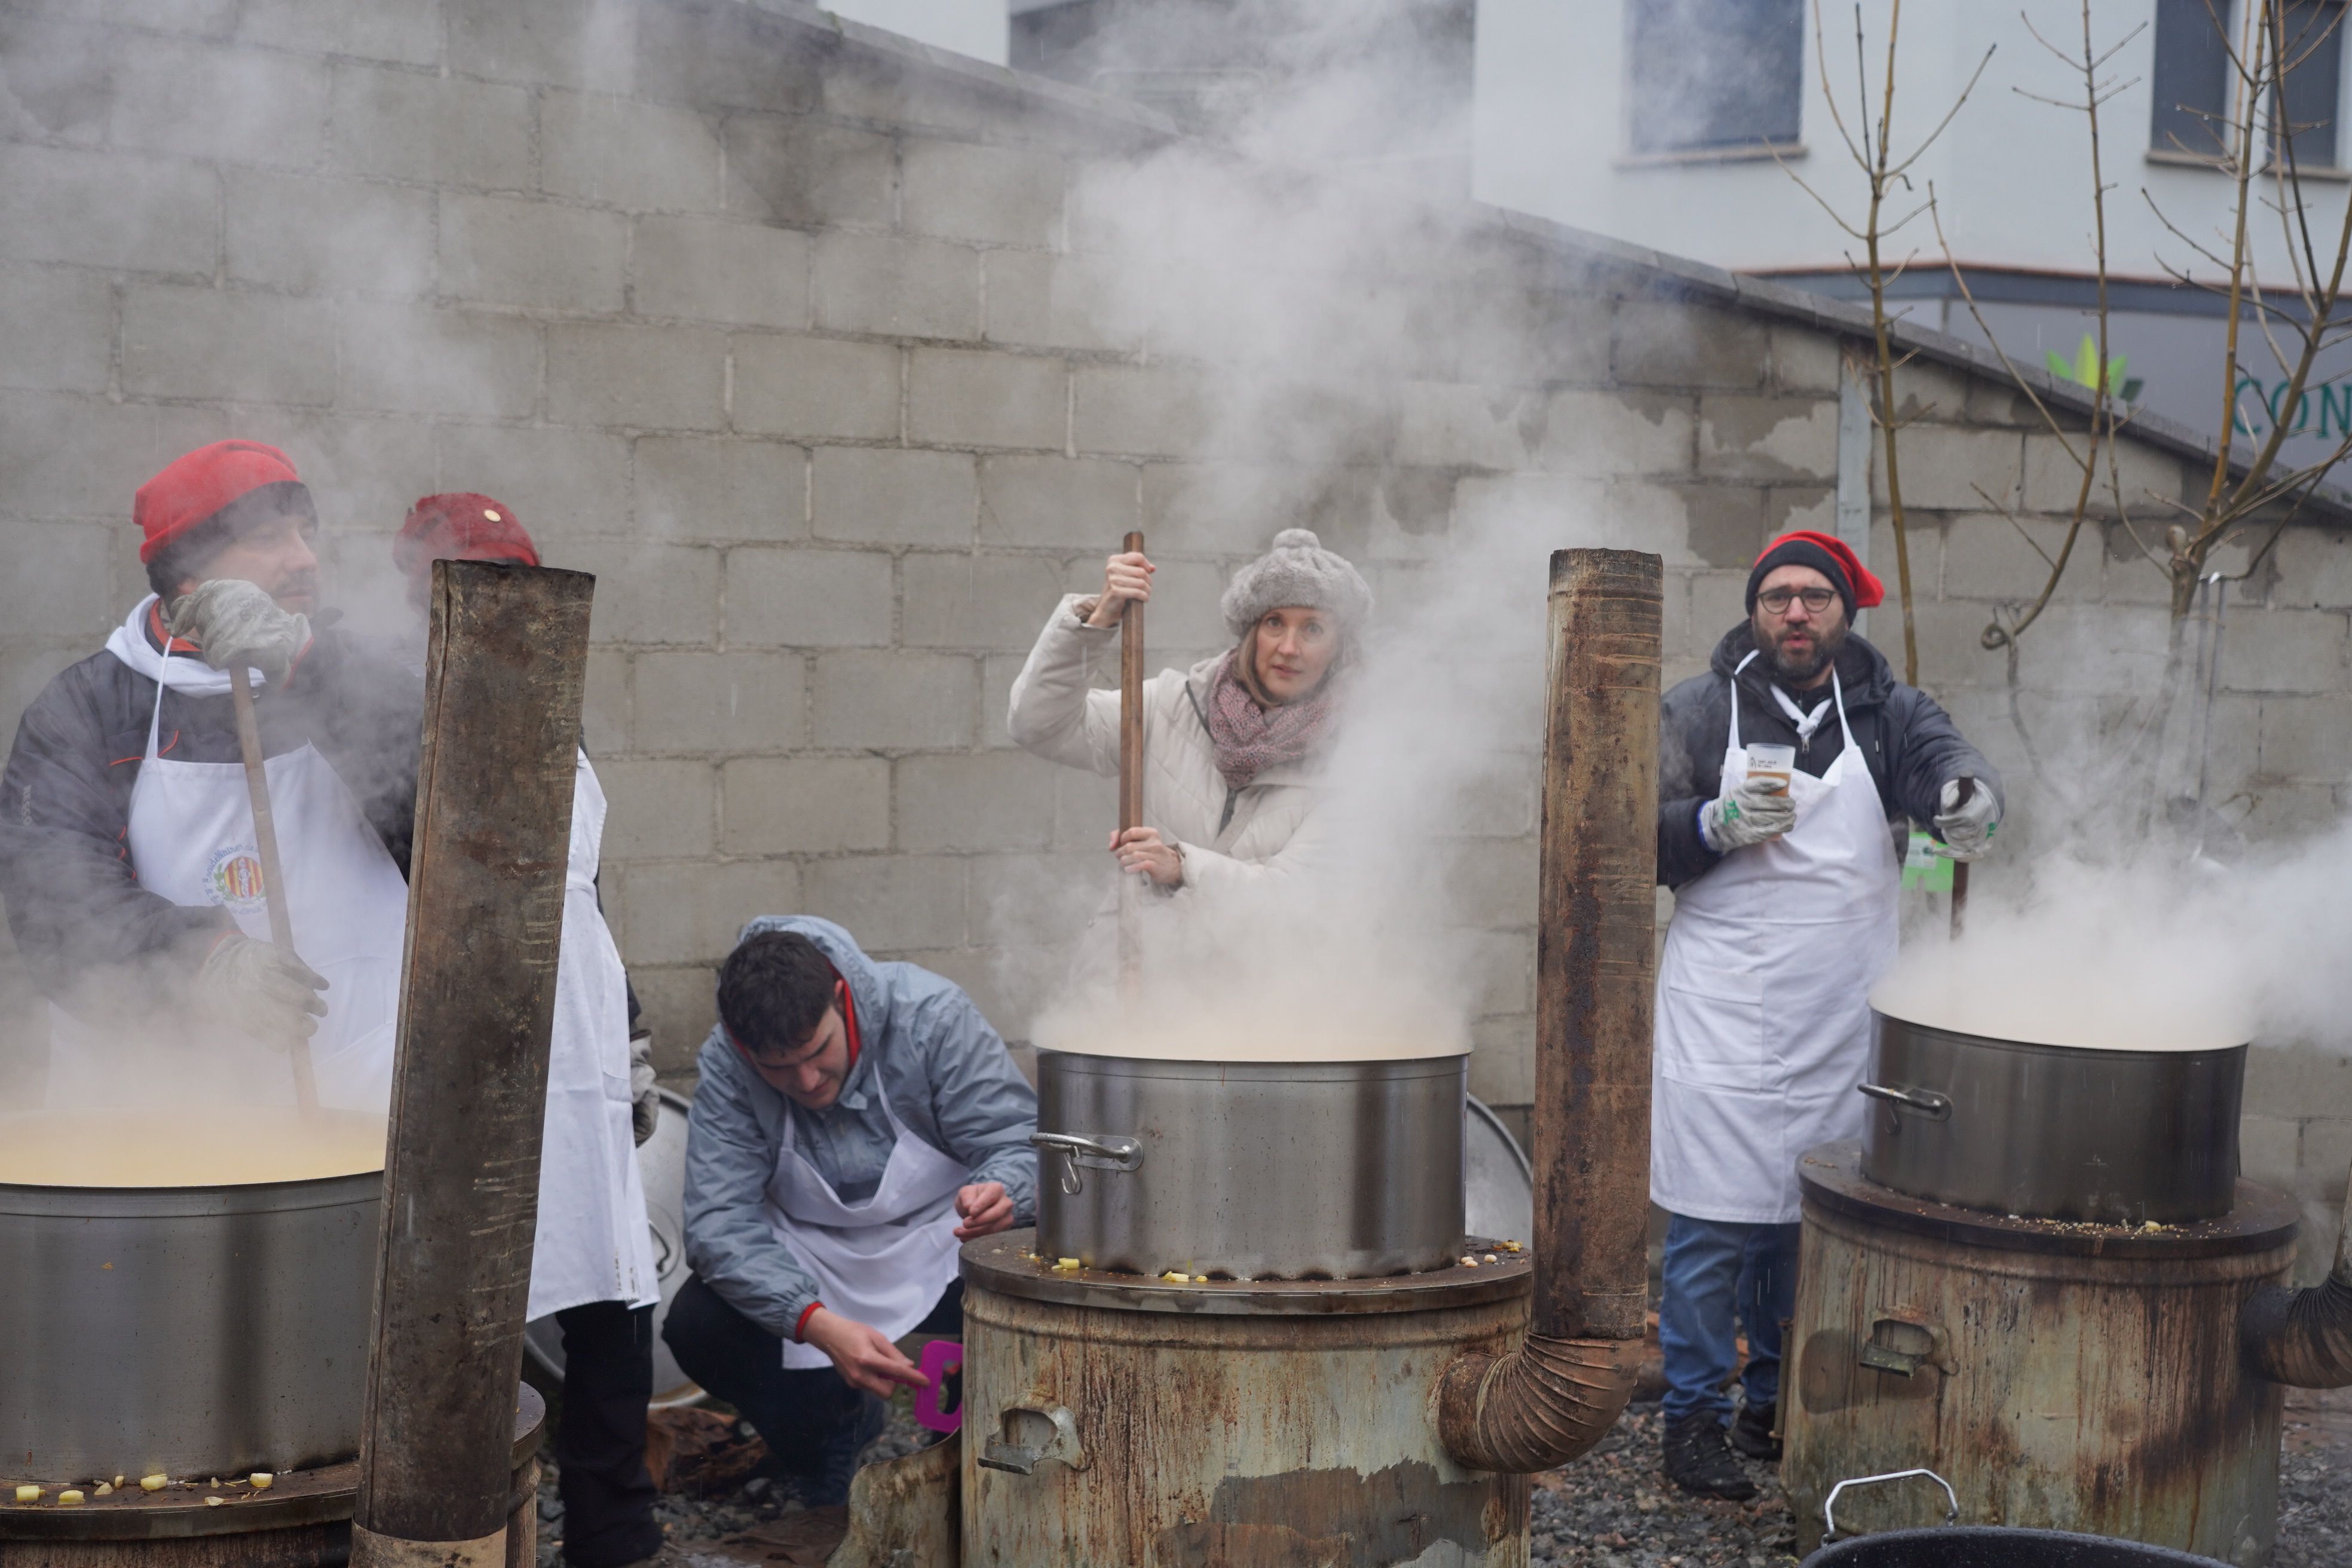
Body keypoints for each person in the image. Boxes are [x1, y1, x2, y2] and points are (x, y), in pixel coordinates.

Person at [1650, 529, 2002, 1500]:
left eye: (1814, 596)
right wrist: (1708, 825)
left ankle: (1772, 1403)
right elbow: (1629, 834)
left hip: (1840, 1008)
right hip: (1723, 1004)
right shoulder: (1697, 708)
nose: (1795, 612)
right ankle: (1691, 1417)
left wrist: (1967, 798)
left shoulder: (1890, 711)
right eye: (1778, 597)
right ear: (1754, 610)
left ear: (1846, 610)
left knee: (1804, 1223)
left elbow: (1947, 764)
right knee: (1711, 1226)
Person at [394, 494, 664, 1568]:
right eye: (484, 585)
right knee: (474, 1302)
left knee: (614, 1298)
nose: (509, 608)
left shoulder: (560, 709)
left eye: (519, 584)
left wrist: (628, 1030)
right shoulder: (398, 715)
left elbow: (585, 894)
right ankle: (472, 1530)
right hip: (471, 1041)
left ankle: (615, 1533)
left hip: (579, 1038)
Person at [0, 440, 417, 1109]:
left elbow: (453, 823)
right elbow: (53, 900)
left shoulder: (359, 679)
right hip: (158, 1111)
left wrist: (311, 670)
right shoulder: (88, 709)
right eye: (268, 537)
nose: (305, 558)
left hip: (359, 1087)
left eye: (307, 533)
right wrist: (199, 960)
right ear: (188, 572)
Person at [663, 917, 1037, 1505]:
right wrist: (814, 1322)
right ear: (741, 1045)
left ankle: (975, 1447)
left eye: (818, 1051)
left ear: (841, 997)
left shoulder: (931, 1016)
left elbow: (1018, 1140)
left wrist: (1003, 1189)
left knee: (1030, 1269)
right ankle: (826, 1437)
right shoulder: (726, 1063)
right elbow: (718, 1226)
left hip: (944, 1236)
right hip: (813, 1258)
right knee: (698, 1325)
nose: (808, 1080)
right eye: (778, 1068)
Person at [1006, 527, 1371, 910]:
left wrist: (1182, 868)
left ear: (1339, 648)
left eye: (1313, 628)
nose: (1289, 647)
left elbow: (1299, 896)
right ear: (1252, 631)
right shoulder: (1168, 707)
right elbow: (1039, 726)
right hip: (1141, 947)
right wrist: (1097, 621)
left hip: (1266, 954)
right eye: (1274, 622)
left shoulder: (1354, 758)